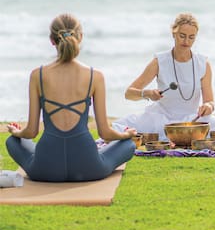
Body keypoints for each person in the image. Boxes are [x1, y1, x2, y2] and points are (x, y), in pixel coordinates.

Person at [6, 13, 136, 182]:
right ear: (80, 37)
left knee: (12, 141)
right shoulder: (95, 76)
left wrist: (16, 132)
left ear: (52, 40)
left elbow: (31, 132)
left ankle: (49, 154)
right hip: (89, 168)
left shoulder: (37, 75)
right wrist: (125, 135)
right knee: (128, 145)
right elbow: (105, 133)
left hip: (44, 170)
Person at [113, 13, 215, 141]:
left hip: (192, 119)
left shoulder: (203, 64)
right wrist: (148, 93)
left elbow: (210, 101)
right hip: (161, 118)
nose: (186, 41)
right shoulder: (159, 61)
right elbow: (128, 93)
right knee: (118, 127)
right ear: (173, 33)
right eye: (182, 36)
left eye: (191, 37)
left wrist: (208, 106)